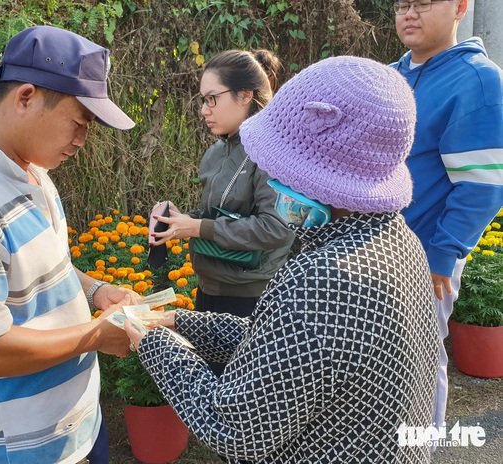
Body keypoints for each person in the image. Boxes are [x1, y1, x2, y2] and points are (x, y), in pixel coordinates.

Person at [126, 56, 440, 463]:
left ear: (319, 169)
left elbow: (234, 427)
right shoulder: (399, 242)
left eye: (279, 164)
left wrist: (153, 344)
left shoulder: (320, 278)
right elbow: (284, 349)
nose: (273, 179)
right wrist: (178, 322)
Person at [0, 26, 139, 464]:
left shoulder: (32, 171)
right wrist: (97, 334)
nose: (81, 141)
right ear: (26, 97)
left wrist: (94, 291)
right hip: (26, 449)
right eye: (78, 123)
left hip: (80, 424)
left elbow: (40, 266)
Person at [391, 0, 503, 433]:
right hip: (374, 250)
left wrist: (443, 255)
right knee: (378, 372)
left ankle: (420, 451)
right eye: (402, 4)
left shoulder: (477, 79)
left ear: (460, 7)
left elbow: (483, 184)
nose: (409, 13)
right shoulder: (391, 74)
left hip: (424, 259)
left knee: (415, 368)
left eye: (423, 2)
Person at [151, 49, 295, 375]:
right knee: (213, 395)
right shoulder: (217, 152)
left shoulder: (271, 152)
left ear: (245, 95)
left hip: (250, 301)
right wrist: (174, 218)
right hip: (208, 293)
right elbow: (215, 215)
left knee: (243, 404)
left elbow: (277, 228)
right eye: (202, 100)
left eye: (212, 99)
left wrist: (200, 228)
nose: (204, 110)